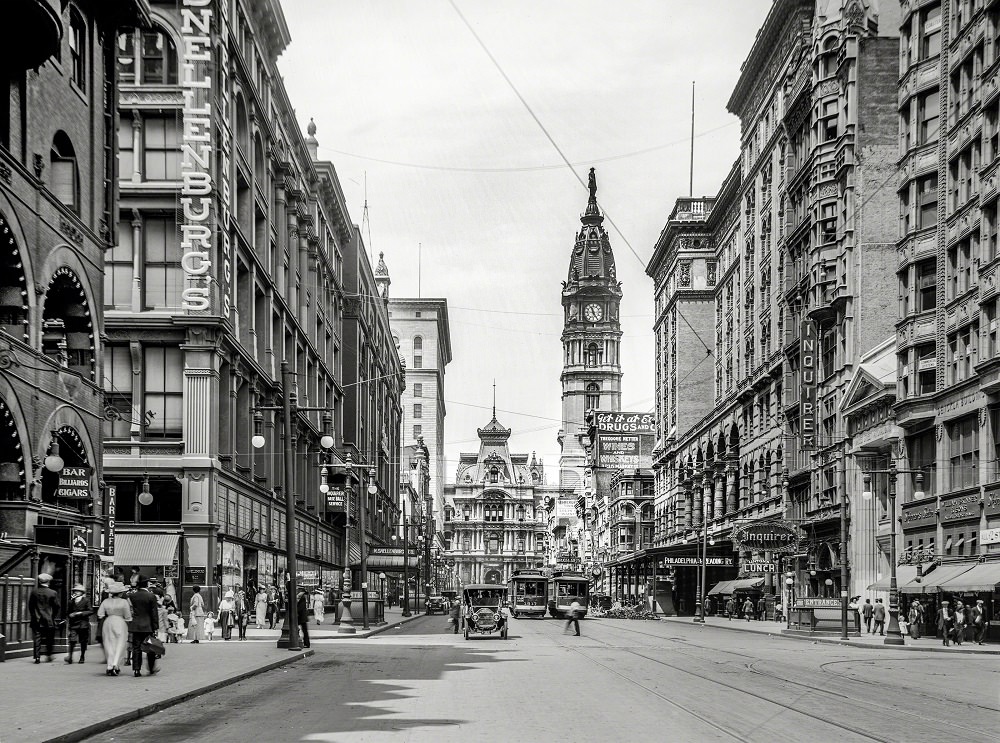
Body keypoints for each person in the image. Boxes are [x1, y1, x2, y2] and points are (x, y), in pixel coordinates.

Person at [97, 581, 132, 676]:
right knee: (120, 644)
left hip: (108, 622)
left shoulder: (105, 601)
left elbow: (100, 614)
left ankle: (109, 665)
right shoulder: (124, 602)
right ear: (120, 593)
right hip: (120, 622)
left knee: (108, 643)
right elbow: (128, 616)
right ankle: (115, 664)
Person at [28, 572, 60, 664]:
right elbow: (57, 606)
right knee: (50, 638)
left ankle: (37, 657)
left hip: (37, 620)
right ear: (48, 582)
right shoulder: (53, 593)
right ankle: (49, 655)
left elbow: (31, 606)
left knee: (37, 638)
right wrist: (52, 616)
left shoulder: (34, 592)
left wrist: (34, 616)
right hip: (48, 619)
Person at [64, 583, 92, 664]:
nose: (76, 592)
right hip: (73, 624)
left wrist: (80, 613)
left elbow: (90, 611)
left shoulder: (86, 600)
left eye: (78, 591)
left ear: (82, 592)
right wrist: (69, 615)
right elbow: (68, 612)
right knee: (72, 640)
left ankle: (82, 656)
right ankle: (70, 656)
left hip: (83, 624)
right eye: (75, 591)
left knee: (83, 641)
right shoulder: (71, 601)